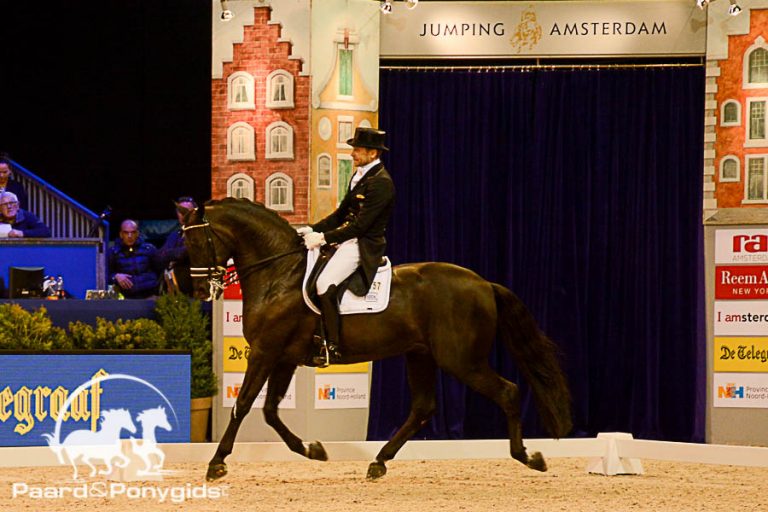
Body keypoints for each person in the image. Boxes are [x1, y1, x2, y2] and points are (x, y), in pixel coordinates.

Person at [298, 127, 395, 365]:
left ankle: (333, 344)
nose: (352, 154)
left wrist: (324, 239)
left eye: (357, 150)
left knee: (324, 284)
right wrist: (314, 228)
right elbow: (342, 213)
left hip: (363, 244)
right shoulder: (360, 176)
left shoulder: (381, 183)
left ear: (372, 154)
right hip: (346, 238)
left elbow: (361, 226)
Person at [108, 219, 161, 299]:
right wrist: (116, 276)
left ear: (137, 233)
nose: (130, 236)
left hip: (150, 295)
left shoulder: (149, 249)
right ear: (121, 234)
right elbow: (105, 274)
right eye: (126, 233)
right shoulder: (113, 252)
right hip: (126, 299)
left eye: (133, 232)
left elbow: (160, 270)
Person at [155, 196, 197, 296]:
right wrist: (173, 254)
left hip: (192, 291)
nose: (183, 214)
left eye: (186, 211)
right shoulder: (175, 234)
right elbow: (159, 256)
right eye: (180, 211)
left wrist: (170, 254)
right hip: (172, 291)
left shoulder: (199, 234)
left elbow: (184, 253)